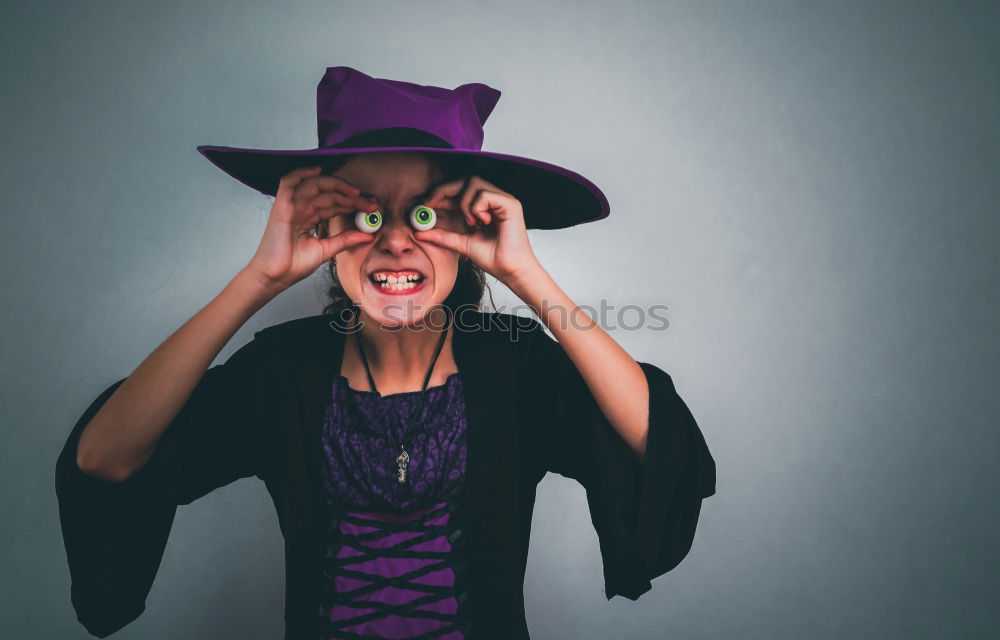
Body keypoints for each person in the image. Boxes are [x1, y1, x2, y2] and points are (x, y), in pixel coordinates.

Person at [55, 66, 717, 640]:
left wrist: (526, 276)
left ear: (469, 228)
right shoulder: (282, 371)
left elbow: (657, 446)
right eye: (367, 214)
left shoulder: (515, 365)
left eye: (426, 216)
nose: (397, 241)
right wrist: (258, 278)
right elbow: (103, 458)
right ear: (325, 231)